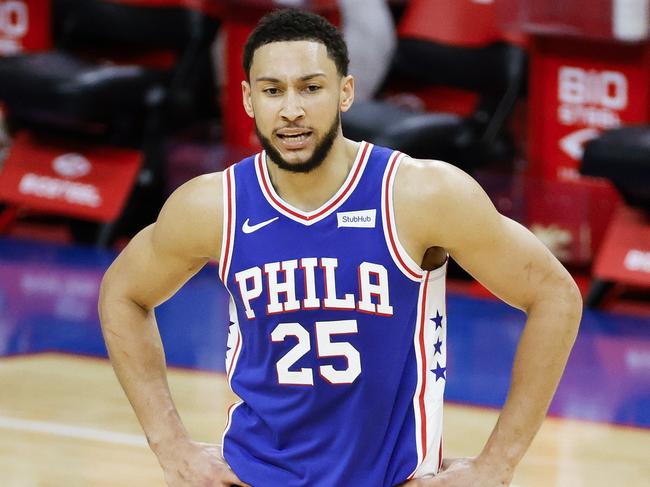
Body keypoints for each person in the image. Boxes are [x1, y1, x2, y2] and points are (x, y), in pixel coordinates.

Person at [98, 9, 582, 487]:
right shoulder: (213, 206)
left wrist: (497, 465)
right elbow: (122, 292)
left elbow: (554, 295)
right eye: (272, 90)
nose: (291, 109)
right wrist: (171, 446)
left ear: (346, 91)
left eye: (311, 87)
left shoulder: (419, 195)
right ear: (247, 99)